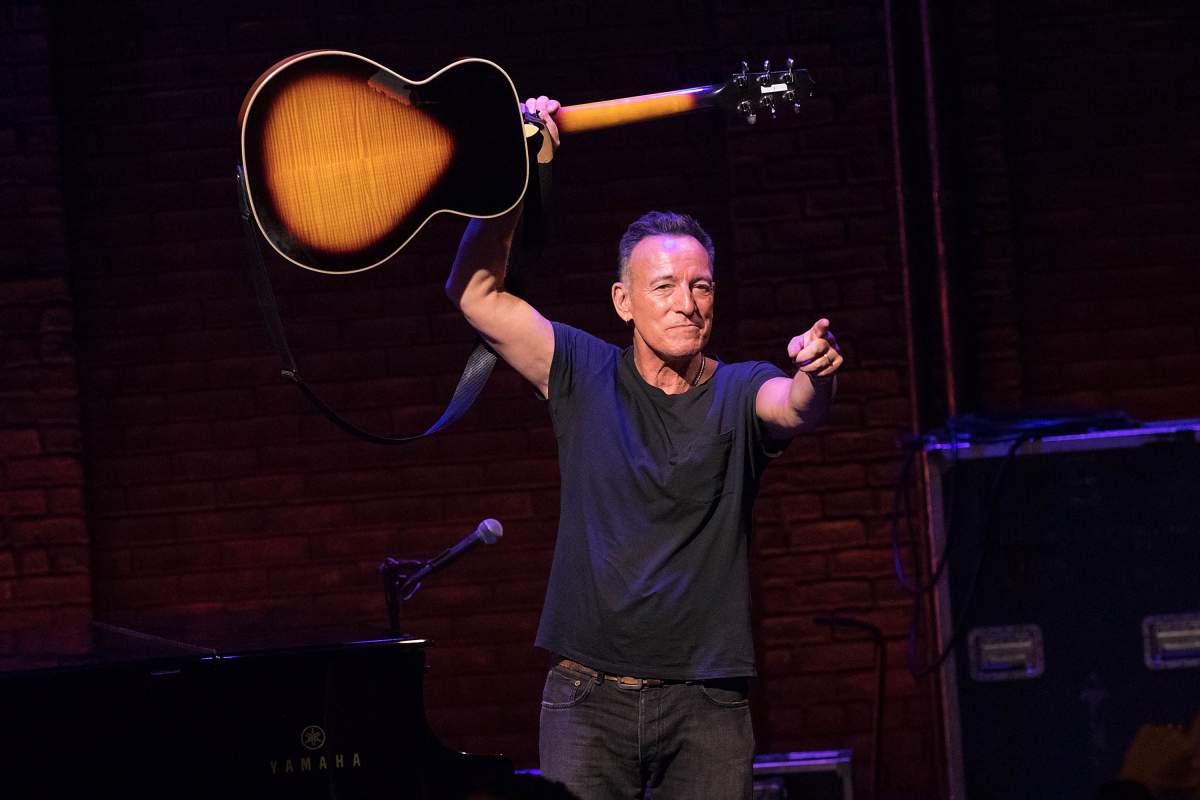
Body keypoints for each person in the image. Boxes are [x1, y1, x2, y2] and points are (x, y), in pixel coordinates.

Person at [444, 95, 843, 800]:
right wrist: (512, 168)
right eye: (664, 286)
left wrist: (817, 372)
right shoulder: (582, 372)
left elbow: (797, 408)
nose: (687, 302)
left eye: (701, 286)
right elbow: (475, 292)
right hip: (586, 699)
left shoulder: (740, 390)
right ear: (624, 301)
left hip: (707, 706)